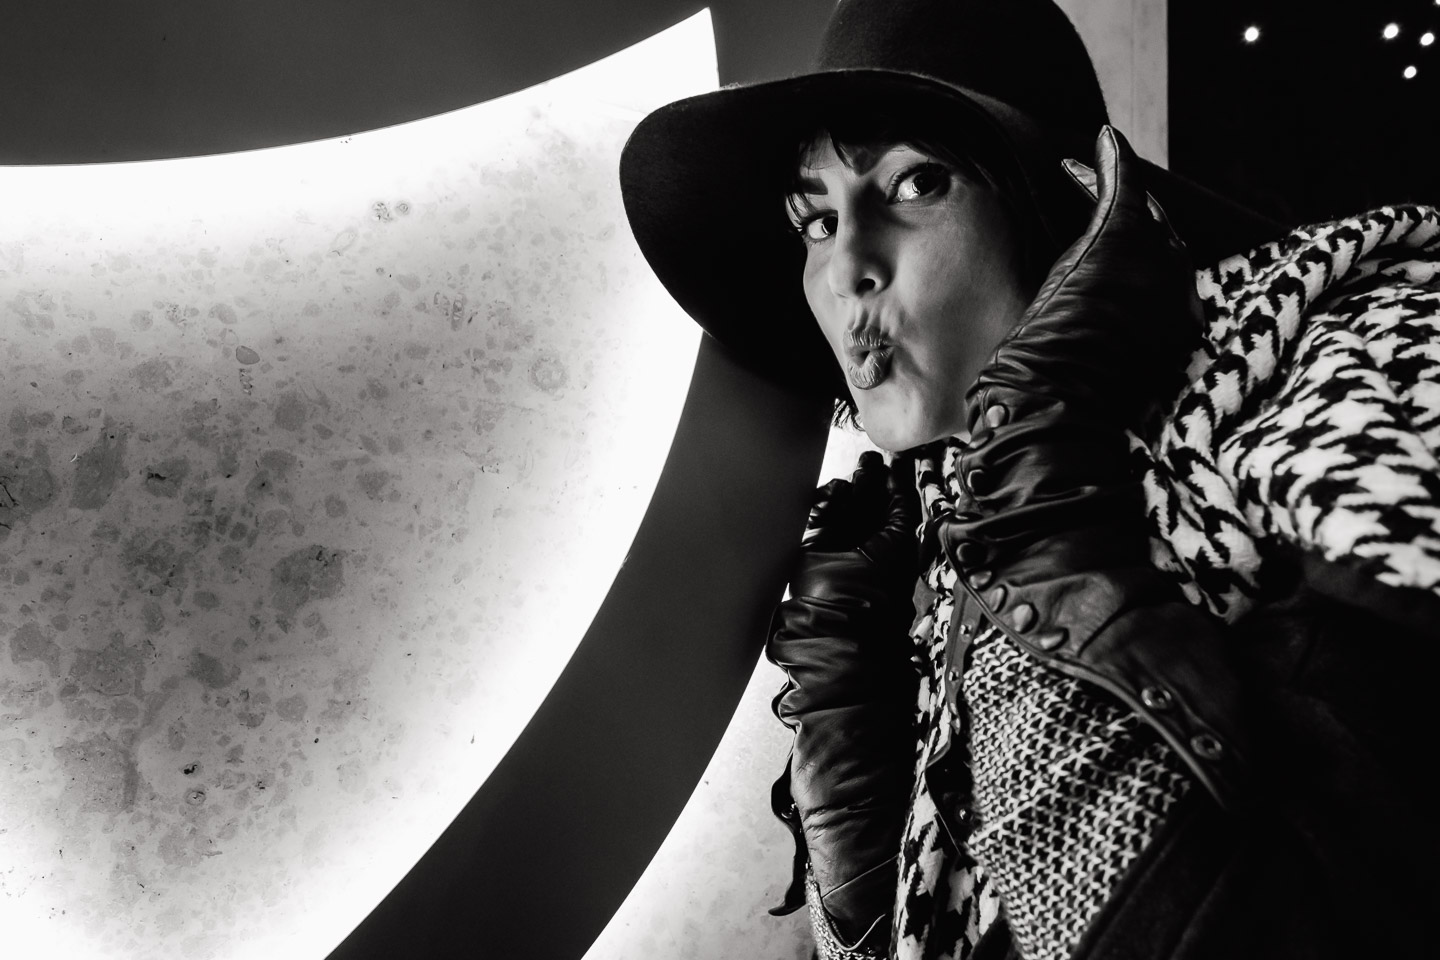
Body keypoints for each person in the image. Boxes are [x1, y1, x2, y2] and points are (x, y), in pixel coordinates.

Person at [619, 1, 1440, 958]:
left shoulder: (1364, 362)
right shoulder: (940, 544)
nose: (846, 269)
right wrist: (854, 808)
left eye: (917, 183)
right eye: (816, 221)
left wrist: (1037, 493)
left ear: (1074, 207)